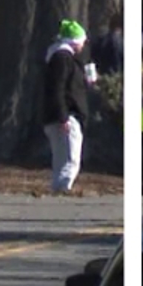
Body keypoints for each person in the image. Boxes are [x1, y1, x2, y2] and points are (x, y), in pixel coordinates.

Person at [41, 18, 93, 196]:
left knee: (60, 158)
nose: (82, 46)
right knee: (71, 158)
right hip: (67, 115)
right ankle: (64, 187)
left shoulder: (57, 57)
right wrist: (63, 116)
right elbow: (59, 88)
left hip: (54, 115)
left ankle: (57, 187)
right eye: (81, 42)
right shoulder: (63, 58)